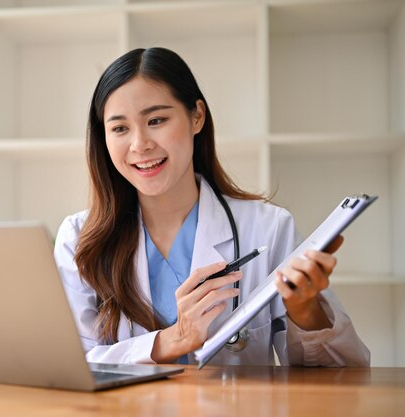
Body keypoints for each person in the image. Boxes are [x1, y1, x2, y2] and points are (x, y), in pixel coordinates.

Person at [53, 47, 370, 366]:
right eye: (120, 128)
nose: (140, 144)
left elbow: (346, 374)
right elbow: (70, 365)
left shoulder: (269, 228)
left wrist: (306, 310)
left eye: (156, 119)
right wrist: (172, 339)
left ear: (197, 117)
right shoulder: (78, 239)